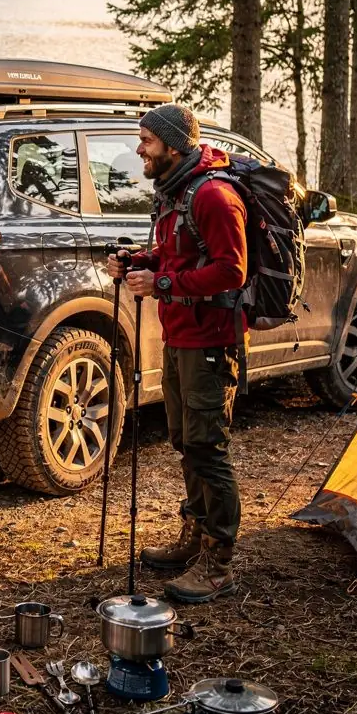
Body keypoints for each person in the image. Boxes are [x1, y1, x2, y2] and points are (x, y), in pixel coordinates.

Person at [107, 103, 248, 604]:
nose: (139, 149)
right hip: (180, 335)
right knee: (185, 440)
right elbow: (178, 257)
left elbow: (232, 271)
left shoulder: (213, 195)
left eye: (145, 140)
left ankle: (220, 562)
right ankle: (195, 534)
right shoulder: (175, 192)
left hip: (211, 342)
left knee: (208, 448)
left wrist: (161, 281)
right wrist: (139, 262)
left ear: (172, 144)